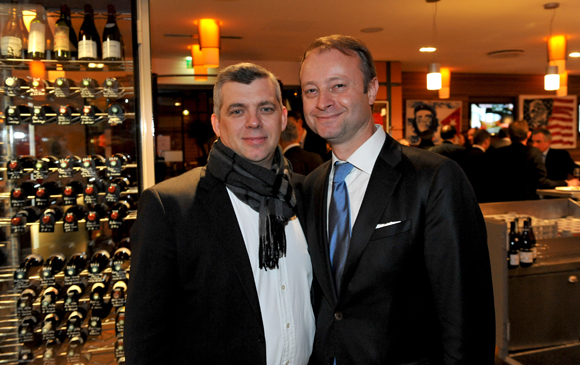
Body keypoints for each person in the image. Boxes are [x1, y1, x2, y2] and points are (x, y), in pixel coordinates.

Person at [299, 34, 495, 365]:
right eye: (311, 90)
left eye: (338, 86)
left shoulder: (433, 178)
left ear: (372, 89)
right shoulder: (310, 187)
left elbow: (466, 310)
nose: (323, 102)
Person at [125, 63, 315, 365]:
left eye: (265, 109)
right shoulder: (170, 206)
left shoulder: (307, 195)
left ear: (282, 118)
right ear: (216, 123)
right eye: (237, 111)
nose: (253, 122)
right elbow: (145, 337)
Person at [489, 120, 577, 202]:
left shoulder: (497, 152)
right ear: (528, 134)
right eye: (534, 141)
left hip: (501, 200)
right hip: (528, 201)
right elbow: (540, 182)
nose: (535, 144)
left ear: (509, 135)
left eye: (538, 141)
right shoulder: (532, 152)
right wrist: (566, 183)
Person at [462, 129, 492, 202]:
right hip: (482, 197)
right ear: (486, 141)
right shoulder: (487, 158)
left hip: (465, 195)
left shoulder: (463, 154)